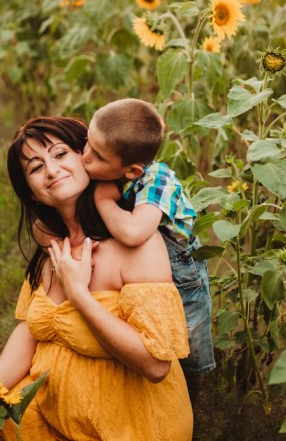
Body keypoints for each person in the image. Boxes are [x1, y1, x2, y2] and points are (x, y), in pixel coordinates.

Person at [0, 116, 194, 441]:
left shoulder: (135, 243)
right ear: (31, 191)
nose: (50, 170)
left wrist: (79, 295)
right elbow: (29, 330)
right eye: (35, 168)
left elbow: (154, 363)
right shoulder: (51, 245)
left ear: (87, 155)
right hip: (56, 421)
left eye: (59, 153)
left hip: (128, 440)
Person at [81, 98, 215, 402]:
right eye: (87, 144)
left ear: (131, 171)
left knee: (184, 348)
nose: (85, 157)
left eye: (97, 155)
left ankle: (191, 409)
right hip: (144, 274)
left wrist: (103, 201)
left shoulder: (158, 181)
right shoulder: (110, 156)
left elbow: (132, 232)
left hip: (183, 278)